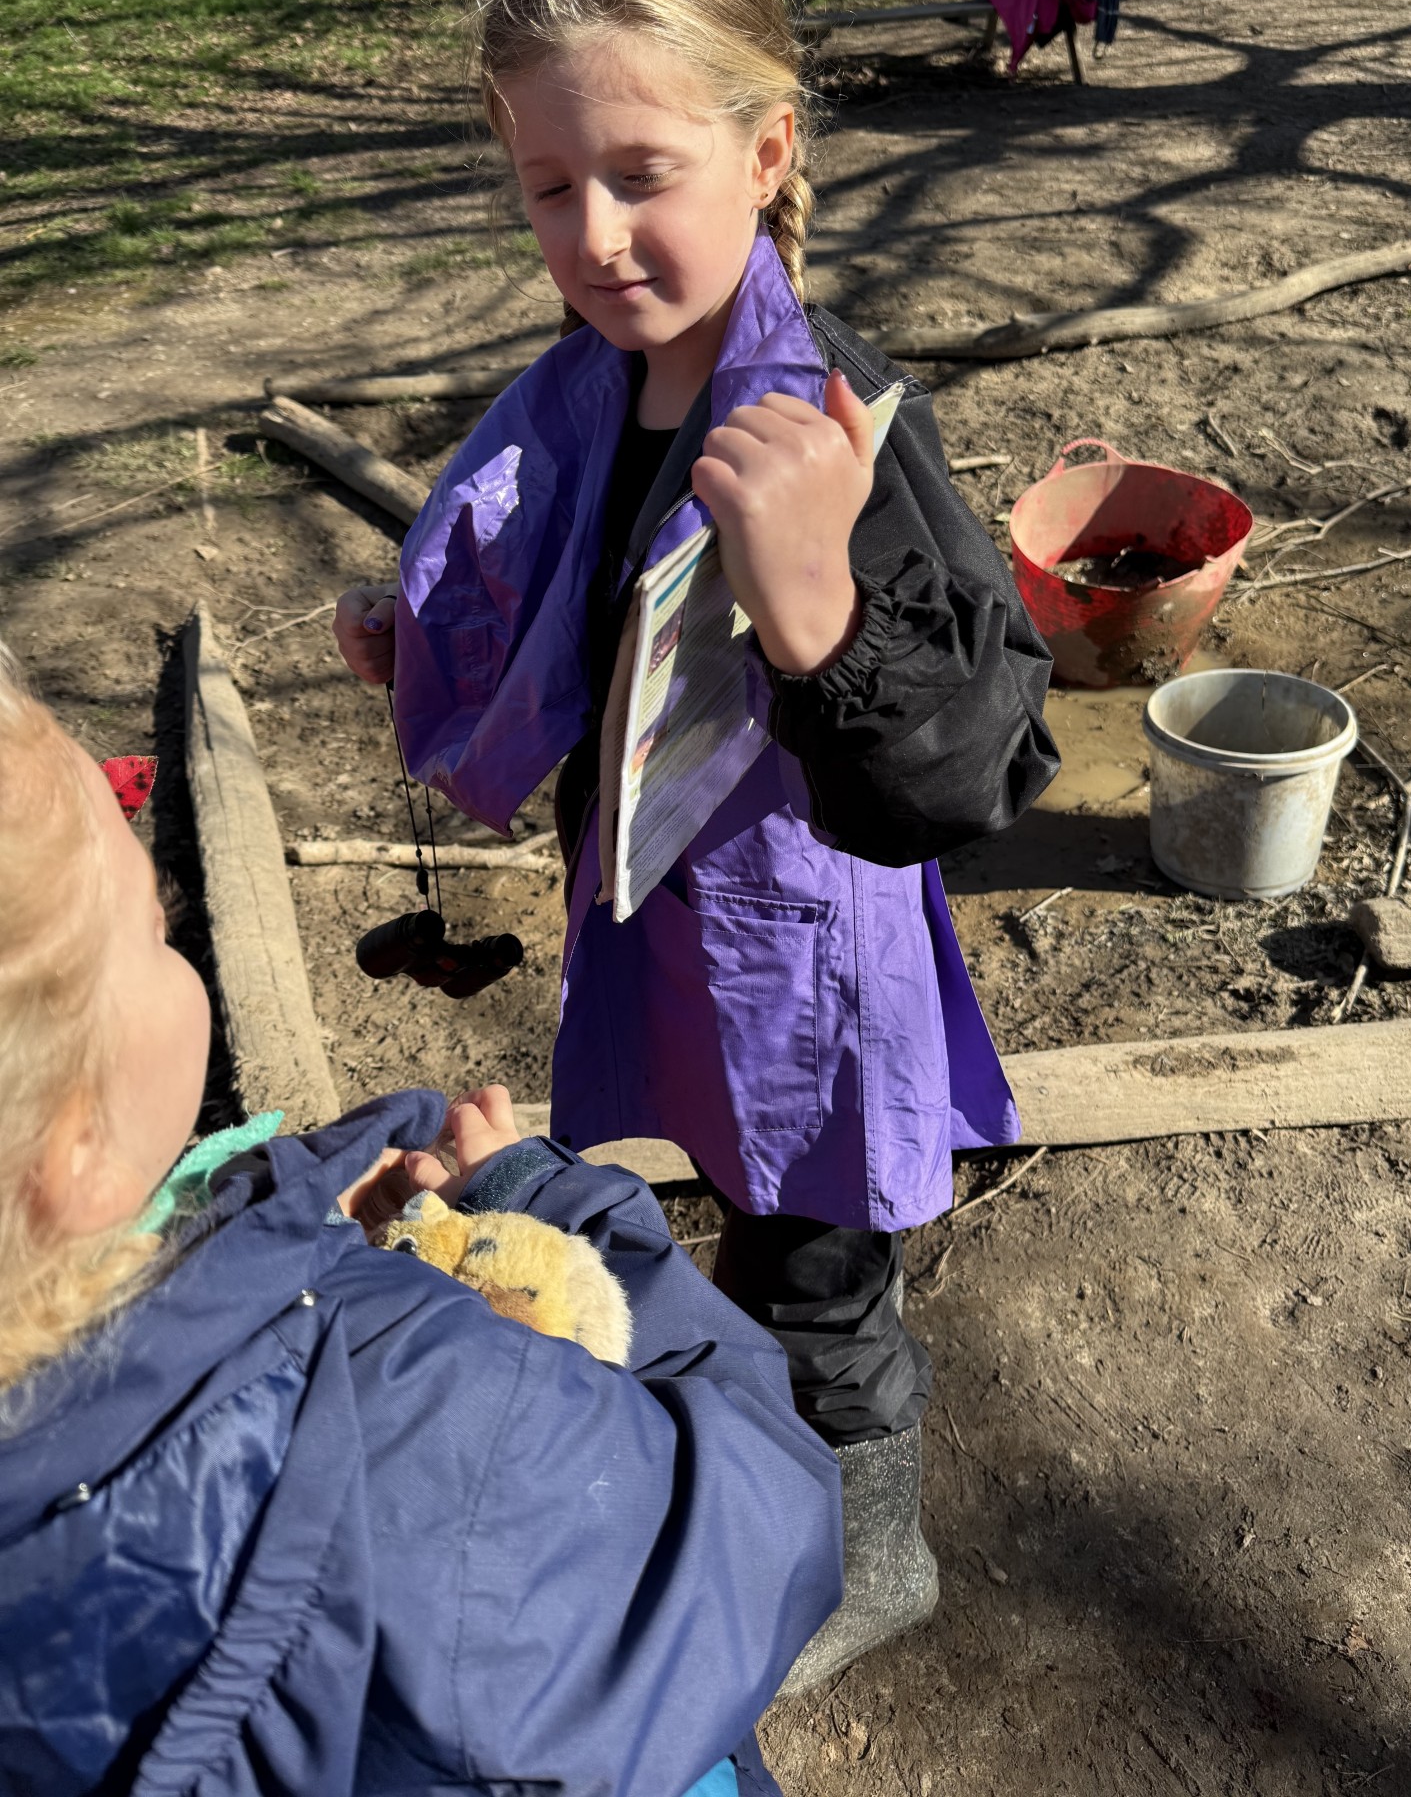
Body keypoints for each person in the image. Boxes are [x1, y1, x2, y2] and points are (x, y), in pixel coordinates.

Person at [334, 0, 1057, 1685]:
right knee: (736, 1195)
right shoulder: (595, 394)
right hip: (662, 904)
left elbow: (979, 763)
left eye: (643, 172)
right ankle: (766, 1452)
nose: (593, 232)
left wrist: (816, 610)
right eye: (547, 186)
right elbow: (597, 629)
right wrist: (440, 651)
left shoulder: (835, 426)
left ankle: (869, 1551)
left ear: (768, 149)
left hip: (808, 944)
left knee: (816, 1248)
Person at [0, 649, 841, 1795]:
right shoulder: (406, 1403)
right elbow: (759, 1522)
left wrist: (283, 1224)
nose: (175, 943)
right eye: (157, 933)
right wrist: (551, 1206)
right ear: (74, 1154)